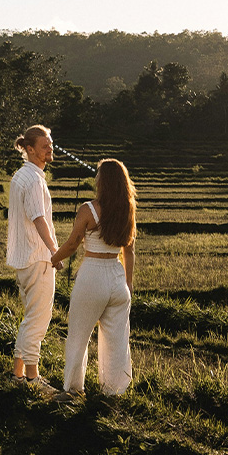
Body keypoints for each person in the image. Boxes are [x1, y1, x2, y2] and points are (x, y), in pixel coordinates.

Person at [50, 158, 136, 397]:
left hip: (93, 275)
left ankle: (73, 389)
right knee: (117, 341)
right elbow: (129, 250)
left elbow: (72, 244)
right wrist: (128, 284)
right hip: (118, 277)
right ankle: (114, 391)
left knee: (78, 334)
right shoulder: (128, 210)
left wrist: (54, 259)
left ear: (103, 182)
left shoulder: (88, 209)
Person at [6, 124, 62, 396]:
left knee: (30, 317)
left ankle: (17, 374)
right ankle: (32, 378)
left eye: (51, 144)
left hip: (24, 258)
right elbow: (39, 218)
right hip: (38, 257)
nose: (50, 149)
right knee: (39, 319)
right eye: (45, 146)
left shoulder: (20, 176)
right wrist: (55, 251)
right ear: (30, 149)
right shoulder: (35, 180)